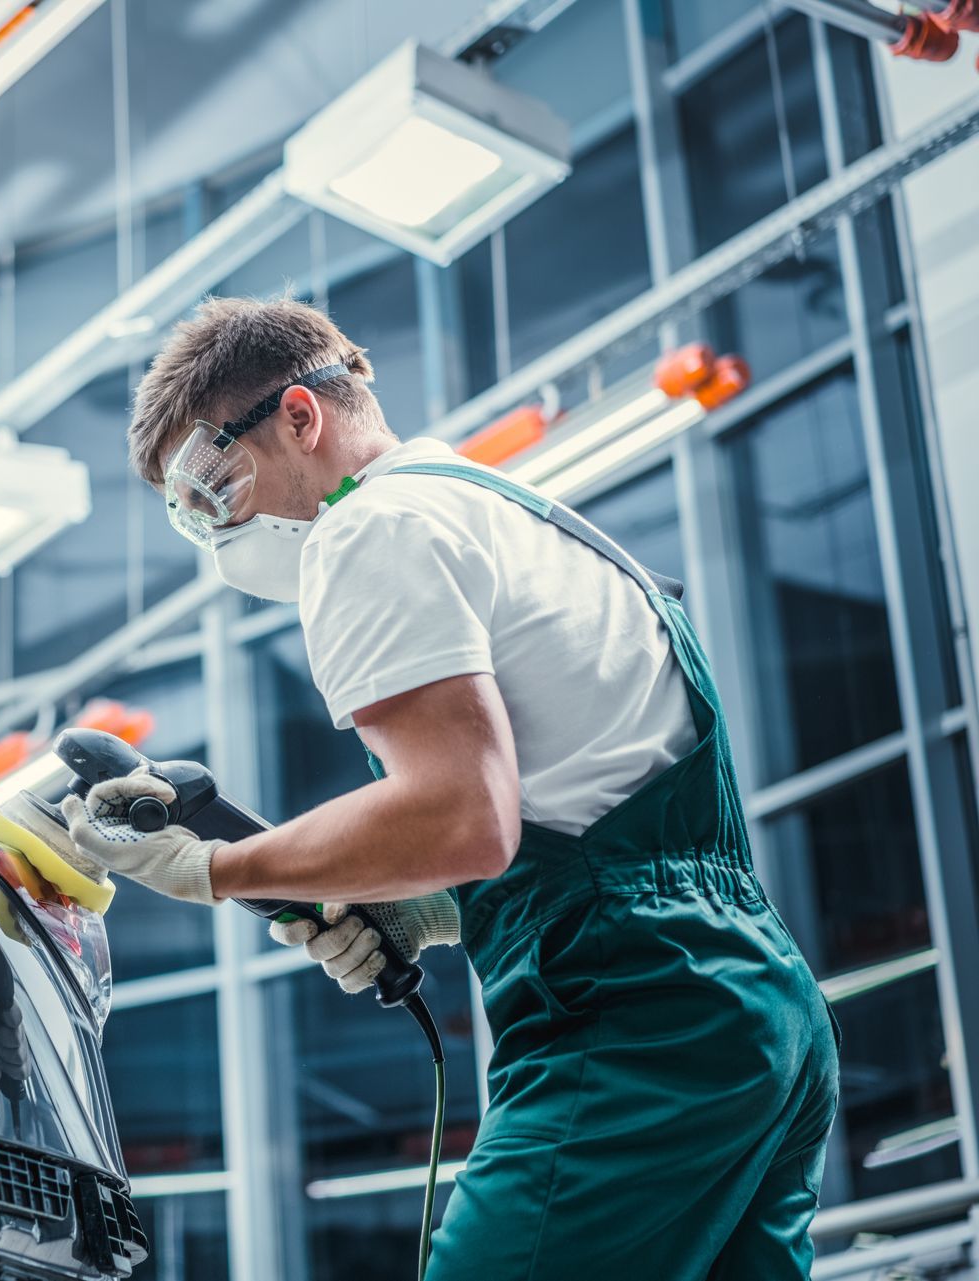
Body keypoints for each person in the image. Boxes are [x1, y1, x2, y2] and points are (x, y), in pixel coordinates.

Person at [56, 296, 840, 1277]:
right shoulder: (504, 512)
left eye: (215, 484)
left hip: (631, 1027)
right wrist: (432, 910)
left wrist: (217, 864)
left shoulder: (368, 531)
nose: (218, 530)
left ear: (301, 417)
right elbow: (586, 813)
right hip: (753, 1006)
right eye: (191, 512)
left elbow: (462, 815)